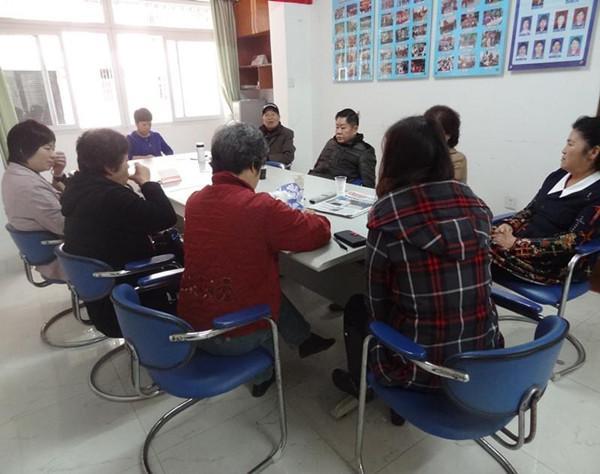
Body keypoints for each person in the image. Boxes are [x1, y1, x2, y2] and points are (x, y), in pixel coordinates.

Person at [331, 116, 501, 423]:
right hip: (481, 360)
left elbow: (376, 302)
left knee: (356, 307)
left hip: (419, 365)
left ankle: (362, 385)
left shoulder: (388, 215)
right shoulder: (476, 206)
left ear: (394, 160)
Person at [178, 123, 335, 397]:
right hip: (232, 336)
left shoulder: (195, 201)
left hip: (193, 325)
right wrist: (312, 216)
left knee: (251, 278)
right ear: (253, 165)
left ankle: (302, 338)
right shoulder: (260, 207)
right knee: (263, 287)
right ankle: (263, 374)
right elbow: (317, 233)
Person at [61, 128, 179, 337]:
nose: (128, 167)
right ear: (109, 167)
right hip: (127, 300)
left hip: (102, 299)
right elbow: (166, 217)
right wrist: (146, 182)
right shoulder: (110, 197)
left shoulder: (77, 188)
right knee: (182, 252)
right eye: (125, 161)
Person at [491, 116, 600, 285]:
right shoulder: (558, 176)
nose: (563, 150)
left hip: (553, 266)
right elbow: (530, 210)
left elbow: (571, 242)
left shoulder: (596, 194)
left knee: (476, 248)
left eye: (570, 144)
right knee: (473, 233)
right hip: (520, 245)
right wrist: (509, 226)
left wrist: (515, 244)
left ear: (593, 152)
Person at [2, 120, 68, 280]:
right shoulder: (28, 186)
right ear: (23, 149)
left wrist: (58, 175)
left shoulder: (17, 173)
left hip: (52, 249)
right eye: (47, 148)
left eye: (53, 148)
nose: (54, 154)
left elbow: (53, 198)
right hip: (62, 259)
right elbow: (67, 227)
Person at [309, 108, 376, 187]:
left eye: (343, 128)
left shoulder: (365, 151)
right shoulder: (332, 142)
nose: (338, 132)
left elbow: (368, 186)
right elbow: (317, 168)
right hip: (315, 183)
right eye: (337, 127)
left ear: (355, 129)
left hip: (339, 190)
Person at [424, 105, 467, 183]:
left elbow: (447, 185)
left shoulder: (457, 159)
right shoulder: (417, 153)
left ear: (450, 134)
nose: (433, 136)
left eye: (439, 133)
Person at [259, 103, 295, 168]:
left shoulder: (287, 133)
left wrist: (267, 158)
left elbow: (288, 156)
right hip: (259, 170)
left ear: (279, 117)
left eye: (273, 114)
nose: (270, 118)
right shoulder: (256, 134)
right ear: (262, 118)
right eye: (266, 115)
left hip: (280, 170)